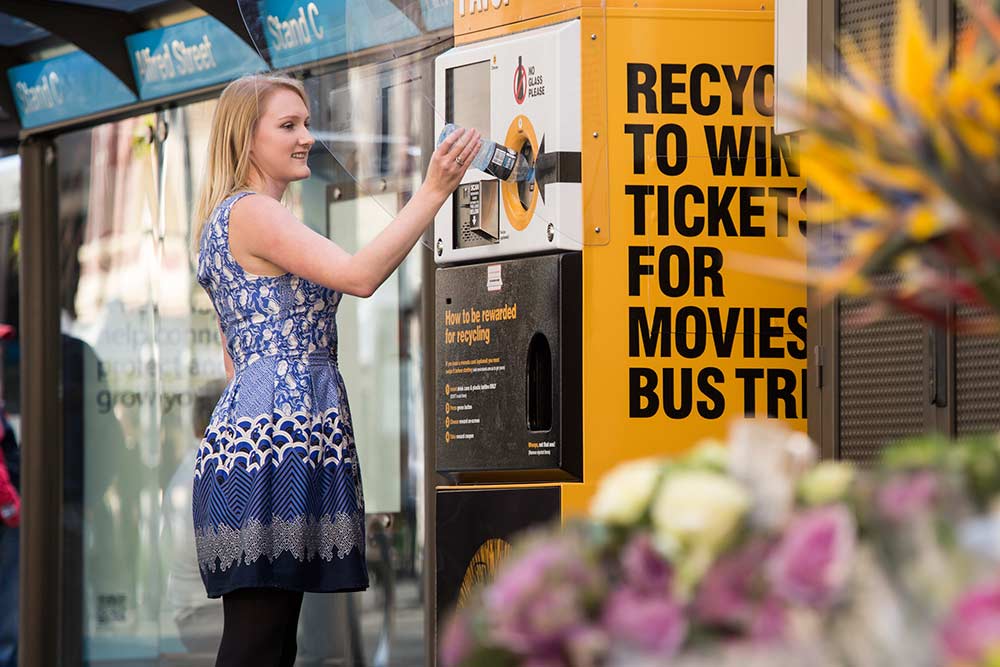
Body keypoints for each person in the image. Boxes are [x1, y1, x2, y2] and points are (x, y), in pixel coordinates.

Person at [191, 73, 479, 667]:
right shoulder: (252, 212)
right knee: (259, 639)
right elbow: (360, 276)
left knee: (266, 637)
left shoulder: (229, 219)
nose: (305, 138)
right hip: (280, 438)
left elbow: (234, 357)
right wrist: (433, 190)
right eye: (288, 126)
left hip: (261, 432)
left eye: (304, 122)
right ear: (247, 139)